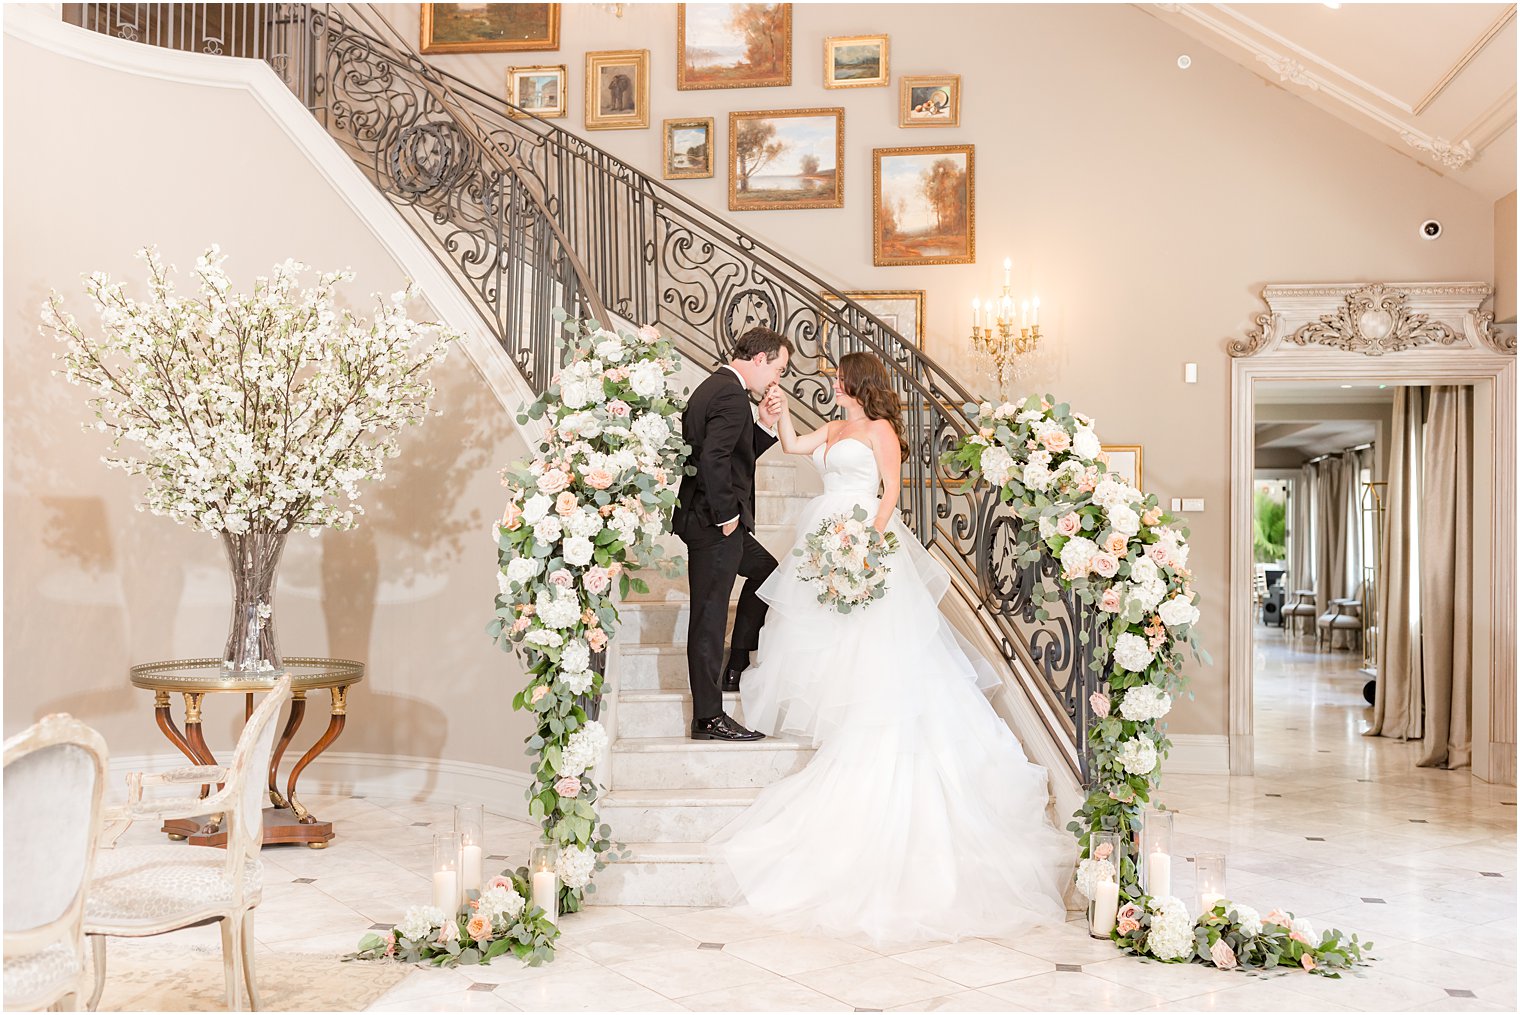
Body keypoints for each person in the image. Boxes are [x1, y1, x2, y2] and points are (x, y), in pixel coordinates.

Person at [710, 351, 1073, 944]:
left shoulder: (880, 431)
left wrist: (865, 548)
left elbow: (891, 495)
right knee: (818, 635)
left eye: (837, 376)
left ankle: (867, 720)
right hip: (823, 540)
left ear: (858, 382)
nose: (830, 381)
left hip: (863, 544)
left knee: (874, 645)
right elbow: (798, 447)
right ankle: (837, 716)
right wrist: (775, 415)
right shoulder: (833, 427)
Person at [671, 327, 790, 742]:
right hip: (714, 523)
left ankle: (736, 661)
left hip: (708, 520)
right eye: (777, 368)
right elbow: (714, 459)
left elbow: (735, 454)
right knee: (708, 618)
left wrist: (766, 424)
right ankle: (708, 717)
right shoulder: (730, 394)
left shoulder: (717, 388)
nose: (776, 380)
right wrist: (725, 515)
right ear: (759, 360)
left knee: (767, 573)